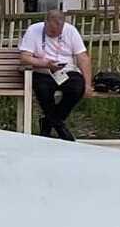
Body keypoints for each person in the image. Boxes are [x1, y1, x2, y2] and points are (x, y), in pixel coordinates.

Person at [19, 9, 93, 141]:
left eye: (59, 32)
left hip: (65, 69)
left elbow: (82, 57)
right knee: (43, 90)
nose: (55, 34)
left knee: (77, 87)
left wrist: (88, 84)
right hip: (42, 70)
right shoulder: (33, 30)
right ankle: (60, 128)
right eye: (52, 31)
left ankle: (49, 122)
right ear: (45, 23)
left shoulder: (70, 31)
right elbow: (25, 58)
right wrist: (44, 63)